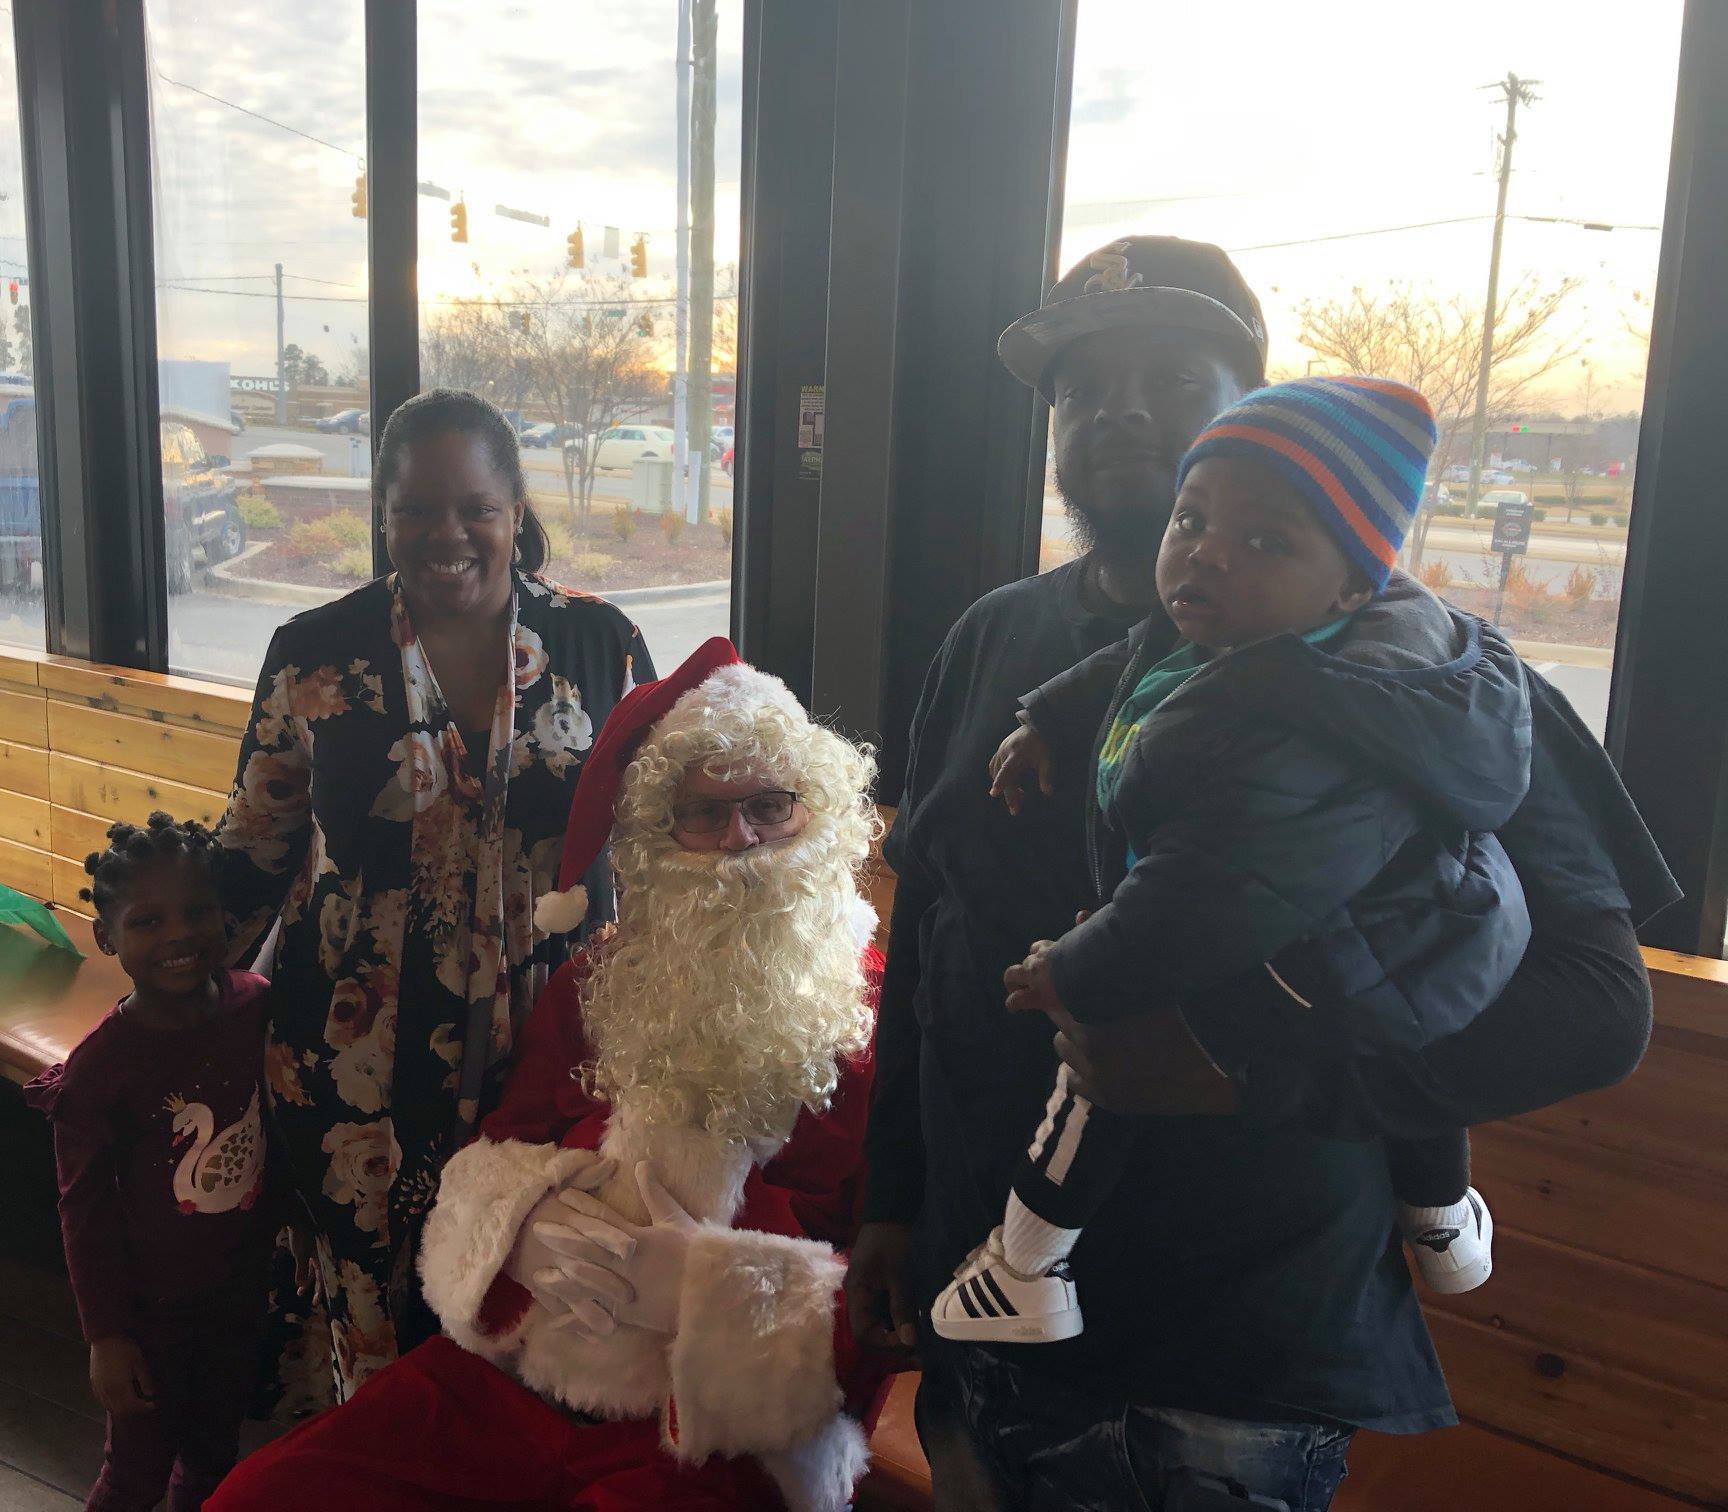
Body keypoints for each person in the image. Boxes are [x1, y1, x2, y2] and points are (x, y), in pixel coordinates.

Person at [847, 236, 1676, 1512]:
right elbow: (930, 935)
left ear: (1256, 409)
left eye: (1175, 379)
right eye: (1081, 388)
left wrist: (1252, 1069)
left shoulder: (1428, 678)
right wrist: (891, 1199)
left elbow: (1598, 1005)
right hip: (985, 1326)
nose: (1119, 411)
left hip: (1228, 1374)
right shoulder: (992, 639)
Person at [210, 639, 891, 1512]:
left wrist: (709, 1291)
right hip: (524, 1373)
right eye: (704, 814)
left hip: (715, 1428)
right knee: (264, 1496)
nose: (740, 840)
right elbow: (499, 1149)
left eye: (769, 805)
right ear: (659, 835)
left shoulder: (884, 1017)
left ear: (815, 813)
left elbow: (898, 1296)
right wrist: (519, 1228)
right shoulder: (598, 982)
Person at [932, 377, 1527, 1348]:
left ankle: (1028, 1268)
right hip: (1370, 957)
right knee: (1401, 1046)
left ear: (1353, 589)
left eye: (1265, 541)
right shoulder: (1234, 631)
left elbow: (1206, 894)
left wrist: (1075, 971)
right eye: (1192, 518)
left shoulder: (1304, 725)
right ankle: (1443, 1221)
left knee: (1100, 1067)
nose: (1206, 550)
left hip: (1309, 959)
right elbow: (1135, 658)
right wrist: (1047, 720)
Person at [213, 388, 656, 1414]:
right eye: (415, 508)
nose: (445, 534)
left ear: (515, 512)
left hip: (554, 1056)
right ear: (382, 513)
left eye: (475, 509)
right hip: (354, 1068)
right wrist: (166, 993)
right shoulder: (314, 653)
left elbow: (660, 842)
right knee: (378, 1340)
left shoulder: (600, 643)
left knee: (532, 1329)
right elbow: (254, 849)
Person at [25, 813, 275, 1512]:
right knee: (135, 1471)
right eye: (148, 921)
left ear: (224, 915)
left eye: (197, 912)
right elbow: (83, 1208)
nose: (179, 935)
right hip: (149, 1312)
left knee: (215, 1453)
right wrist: (106, 1337)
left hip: (239, 1291)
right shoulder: (100, 1069)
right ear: (107, 937)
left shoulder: (256, 1007)